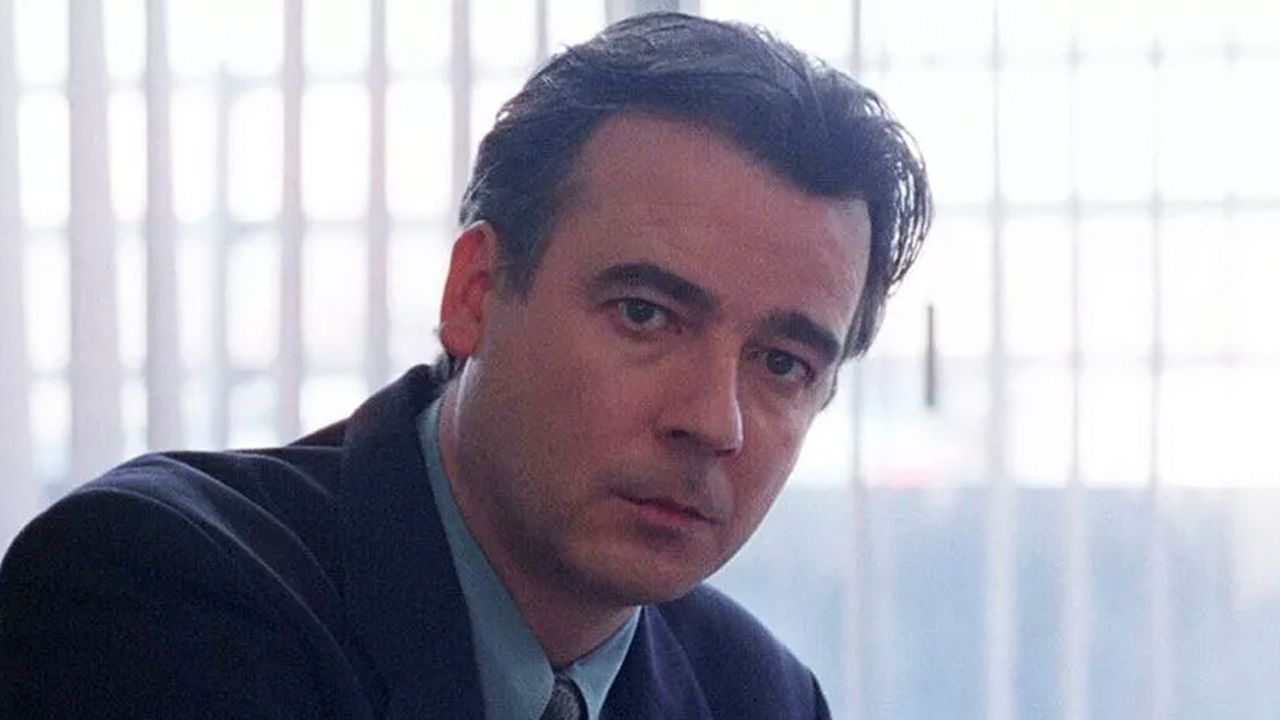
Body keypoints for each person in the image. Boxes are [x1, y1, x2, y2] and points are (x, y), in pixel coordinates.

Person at [0, 12, 930, 720]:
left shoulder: (759, 696)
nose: (712, 421)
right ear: (475, 294)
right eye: (645, 314)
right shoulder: (156, 587)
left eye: (782, 364)